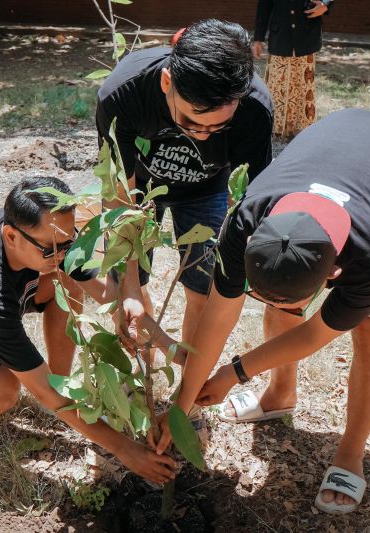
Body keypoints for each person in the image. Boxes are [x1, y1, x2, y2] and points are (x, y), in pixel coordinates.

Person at [155, 109, 370, 514]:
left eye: (297, 299)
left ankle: (350, 452)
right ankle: (280, 394)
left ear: (333, 274)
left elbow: (316, 332)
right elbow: (218, 315)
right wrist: (181, 404)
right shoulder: (245, 220)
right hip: (342, 134)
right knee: (284, 306)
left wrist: (233, 372)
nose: (274, 308)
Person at [0, 176, 176, 485]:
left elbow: (104, 291)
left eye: (68, 242)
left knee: (68, 280)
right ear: (11, 236)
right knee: (3, 394)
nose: (63, 253)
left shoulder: (45, 233)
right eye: (51, 249)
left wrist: (171, 347)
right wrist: (123, 448)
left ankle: (61, 378)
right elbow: (40, 388)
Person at [95, 18, 273, 353]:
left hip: (207, 188)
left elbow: (252, 199)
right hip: (140, 191)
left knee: (204, 288)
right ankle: (141, 379)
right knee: (128, 287)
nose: (202, 134)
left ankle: (188, 384)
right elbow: (119, 194)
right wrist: (129, 284)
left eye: (217, 128)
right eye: (190, 121)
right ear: (167, 82)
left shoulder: (255, 109)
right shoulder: (124, 95)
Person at [253, 0, 333, 139]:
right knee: (277, 84)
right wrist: (258, 39)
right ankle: (275, 127)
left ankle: (302, 128)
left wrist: (325, 4)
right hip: (280, 37)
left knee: (303, 83)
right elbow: (264, 6)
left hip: (307, 34)